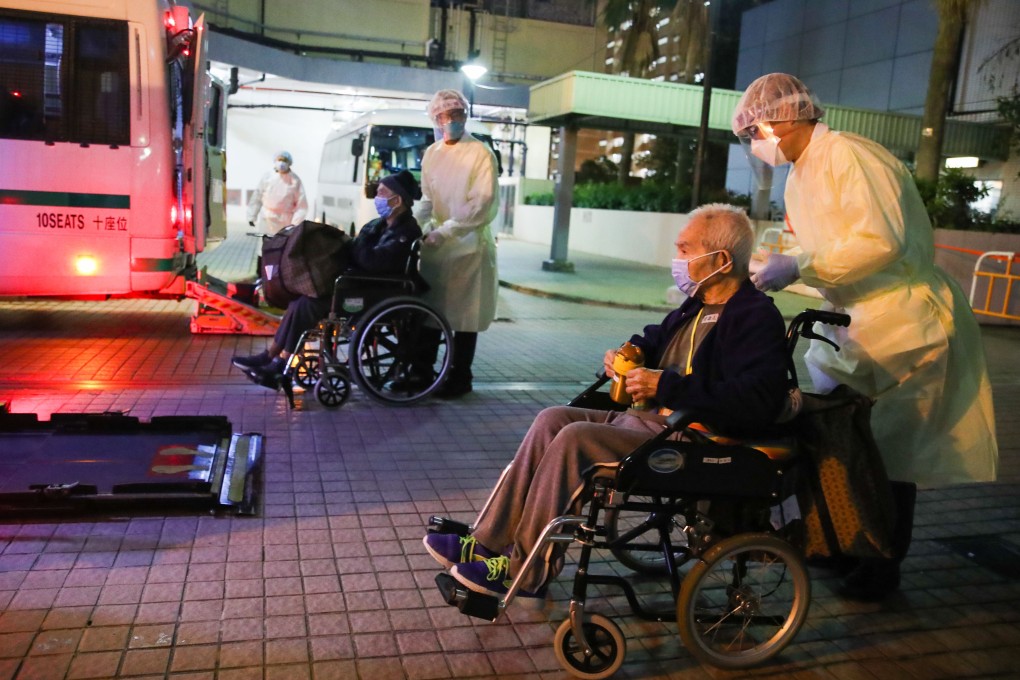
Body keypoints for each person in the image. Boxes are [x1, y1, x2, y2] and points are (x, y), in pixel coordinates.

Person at [422, 204, 790, 599]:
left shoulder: (754, 316)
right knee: (552, 419)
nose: (677, 259)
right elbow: (652, 339)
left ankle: (524, 570)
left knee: (575, 438)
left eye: (685, 250)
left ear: (719, 260)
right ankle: (488, 541)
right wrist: (628, 353)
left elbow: (756, 399)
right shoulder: (696, 305)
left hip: (695, 439)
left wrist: (665, 386)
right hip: (649, 425)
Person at [731, 73, 999, 600]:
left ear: (785, 117)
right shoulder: (803, 172)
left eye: (756, 130)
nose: (756, 143)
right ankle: (843, 543)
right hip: (859, 320)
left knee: (888, 454)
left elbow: (880, 241)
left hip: (904, 322)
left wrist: (800, 265)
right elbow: (833, 251)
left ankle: (882, 565)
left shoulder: (848, 156)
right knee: (842, 440)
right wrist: (788, 267)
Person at [232, 170, 423, 378]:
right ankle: (270, 355)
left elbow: (372, 261)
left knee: (309, 303)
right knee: (300, 299)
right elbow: (357, 251)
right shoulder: (378, 225)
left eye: (382, 193)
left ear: (398, 199)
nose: (377, 198)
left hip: (376, 291)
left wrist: (357, 246)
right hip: (358, 285)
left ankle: (282, 362)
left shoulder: (407, 231)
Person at [416, 89, 499, 399]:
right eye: (443, 116)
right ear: (434, 119)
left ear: (465, 116)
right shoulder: (432, 154)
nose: (450, 121)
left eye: (456, 115)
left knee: (464, 320)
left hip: (468, 246)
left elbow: (482, 202)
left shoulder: (480, 153)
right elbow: (426, 197)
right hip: (437, 248)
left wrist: (447, 231)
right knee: (430, 314)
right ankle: (421, 373)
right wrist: (421, 226)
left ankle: (460, 377)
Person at [247, 150, 309, 236]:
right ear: (275, 161)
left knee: (282, 246)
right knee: (267, 246)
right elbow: (257, 197)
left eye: (285, 160)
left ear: (290, 163)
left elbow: (302, 206)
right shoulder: (267, 177)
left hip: (285, 222)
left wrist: (294, 224)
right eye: (280, 160)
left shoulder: (295, 181)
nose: (282, 163)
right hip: (266, 219)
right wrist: (252, 216)